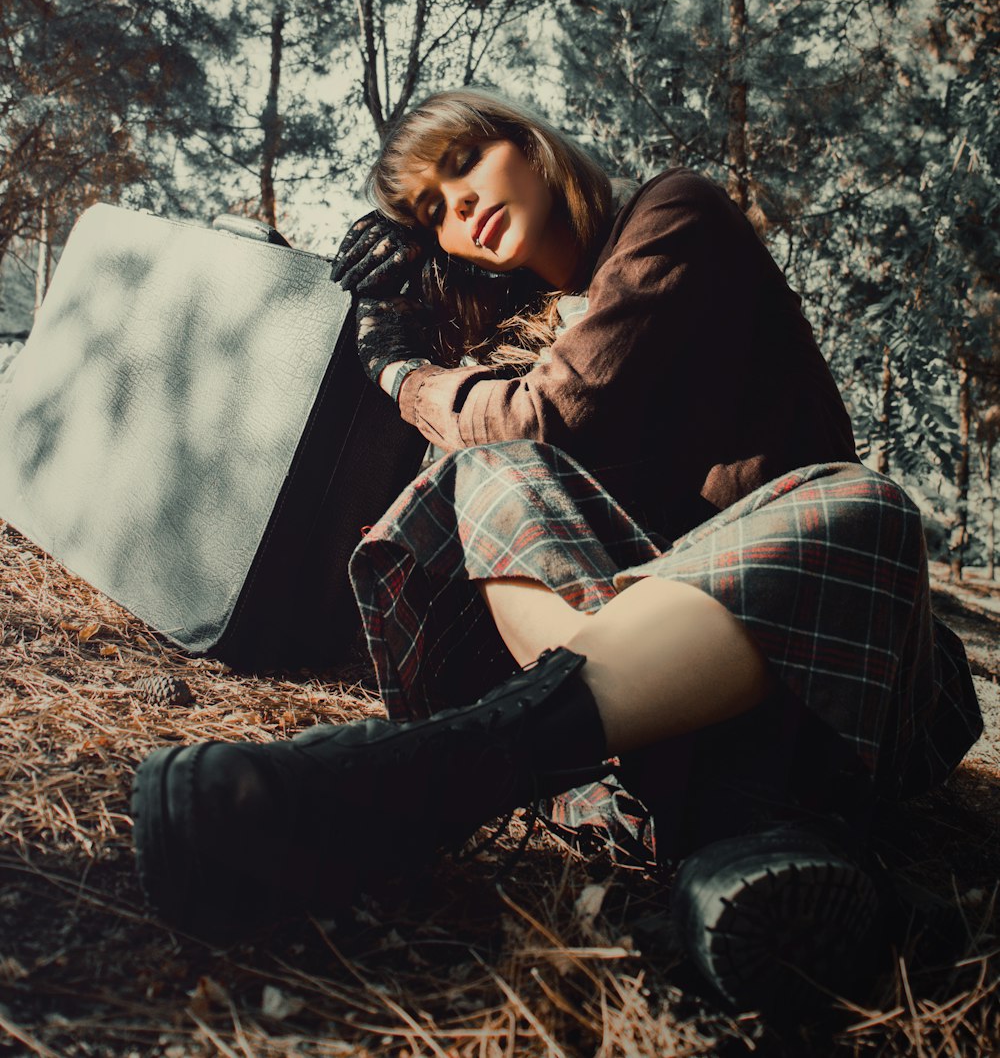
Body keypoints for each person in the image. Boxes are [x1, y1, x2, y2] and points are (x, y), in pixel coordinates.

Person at [130, 89, 982, 1014]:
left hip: (815, 669)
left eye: (460, 166)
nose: (457, 206)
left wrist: (400, 370)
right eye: (428, 212)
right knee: (495, 475)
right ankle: (735, 840)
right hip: (637, 706)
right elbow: (486, 445)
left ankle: (422, 778)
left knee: (863, 505)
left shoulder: (673, 216)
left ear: (527, 143)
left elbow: (545, 410)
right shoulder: (517, 315)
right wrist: (411, 274)